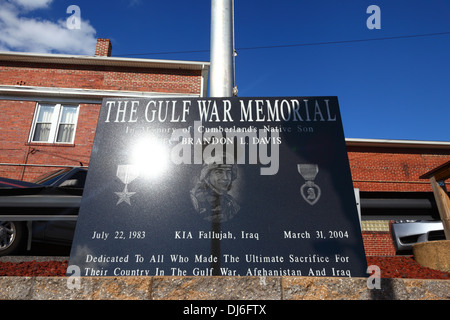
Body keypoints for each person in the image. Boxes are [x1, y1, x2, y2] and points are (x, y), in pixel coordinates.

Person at [190, 158, 240, 223]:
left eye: (228, 172)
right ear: (207, 176)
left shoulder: (230, 201)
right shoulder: (195, 200)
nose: (226, 178)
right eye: (219, 172)